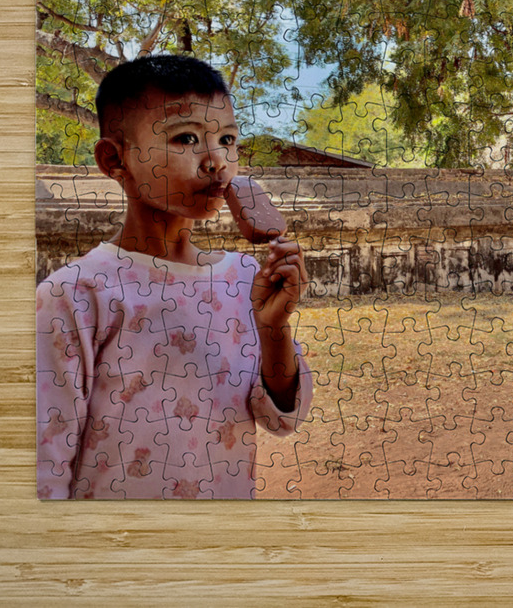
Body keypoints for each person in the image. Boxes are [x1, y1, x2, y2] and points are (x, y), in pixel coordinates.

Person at [36, 54, 312, 498]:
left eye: (227, 139)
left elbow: (282, 418)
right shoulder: (75, 293)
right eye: (186, 138)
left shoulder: (246, 277)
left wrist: (273, 327)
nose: (216, 161)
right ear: (114, 159)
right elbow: (45, 461)